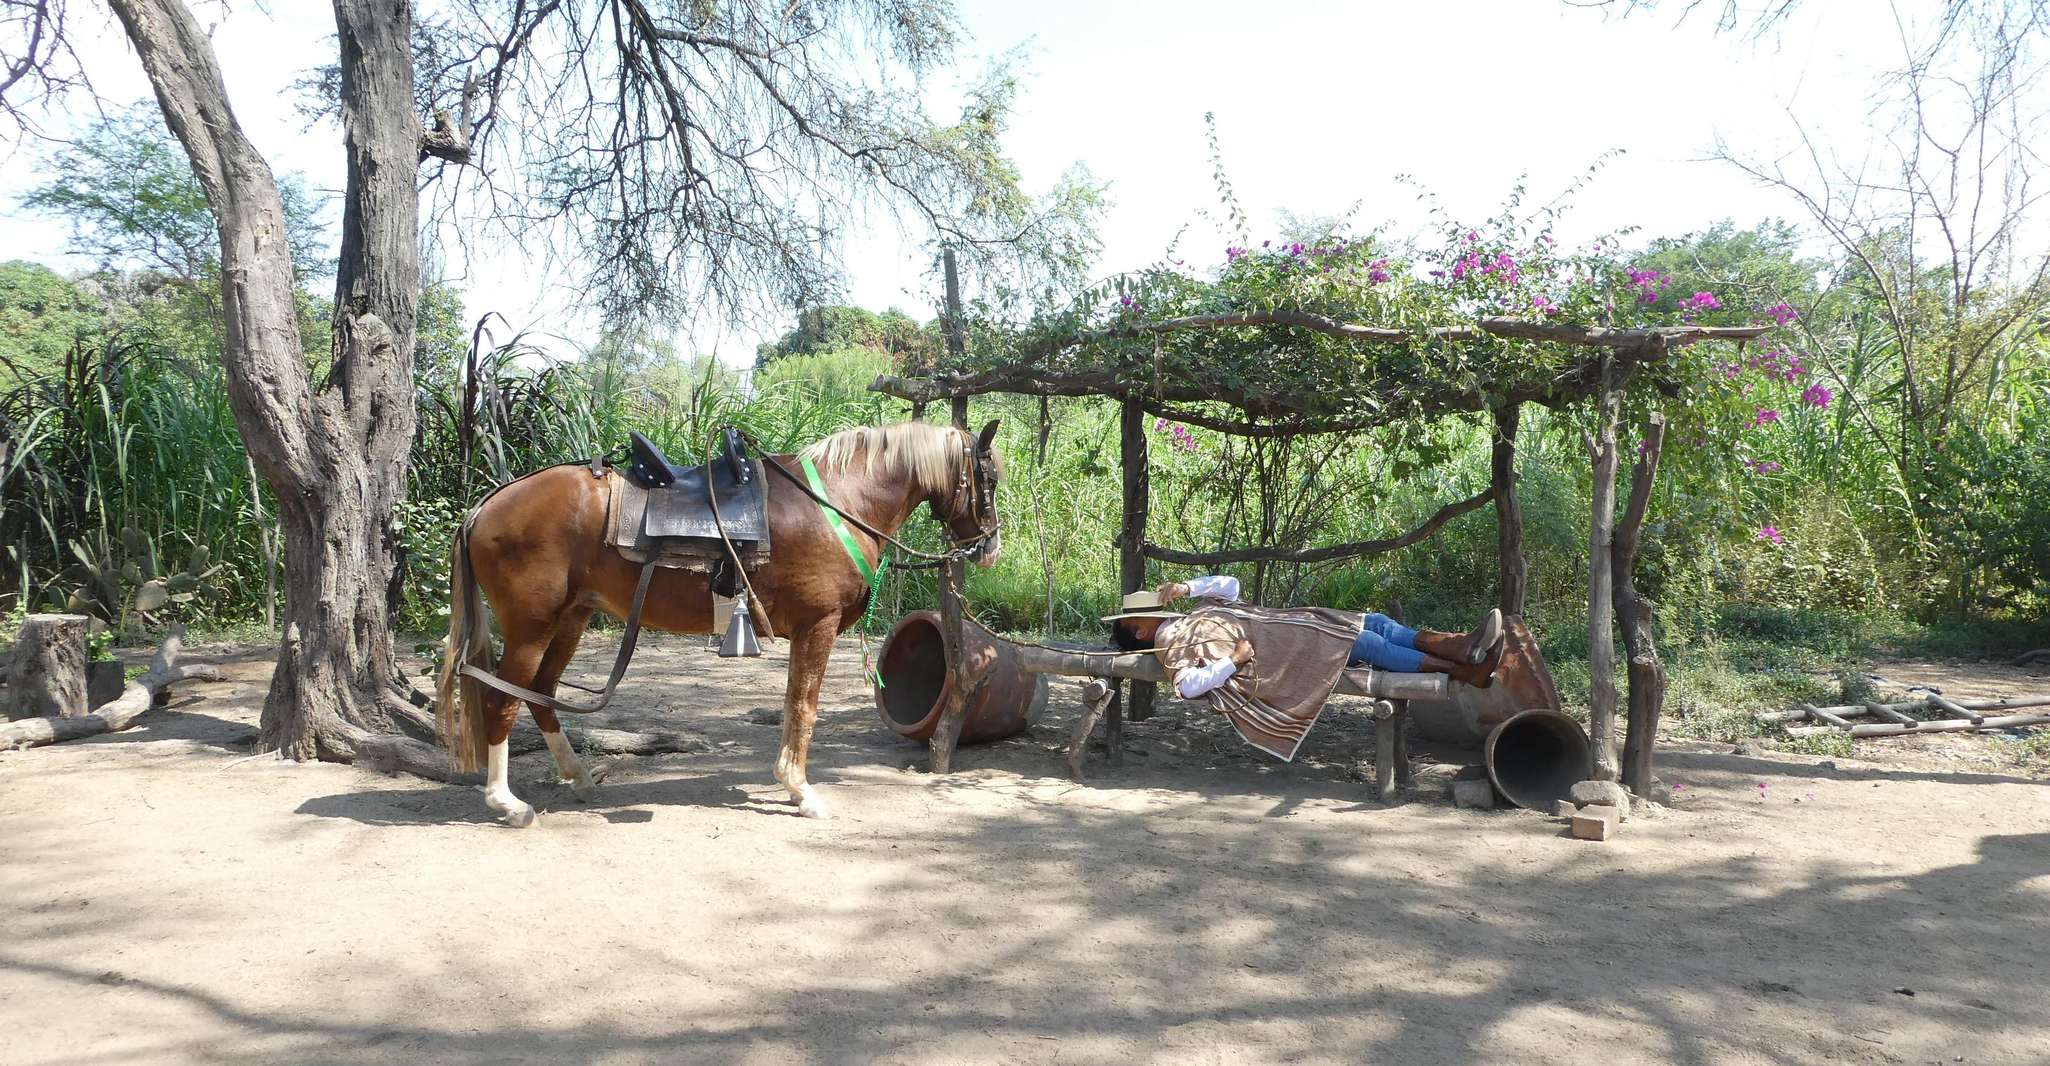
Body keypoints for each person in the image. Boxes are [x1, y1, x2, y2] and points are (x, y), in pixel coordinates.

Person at [1106, 574, 1504, 701]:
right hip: (1281, 651)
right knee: (1364, 643)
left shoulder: (1196, 614)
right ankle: (1462, 671)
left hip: (1288, 626)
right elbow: (1189, 687)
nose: (1158, 605)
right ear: (1138, 628)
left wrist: (1189, 588)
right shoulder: (1172, 646)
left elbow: (1231, 585)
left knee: (1377, 622)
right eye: (1146, 609)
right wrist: (1235, 659)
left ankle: (1463, 649)